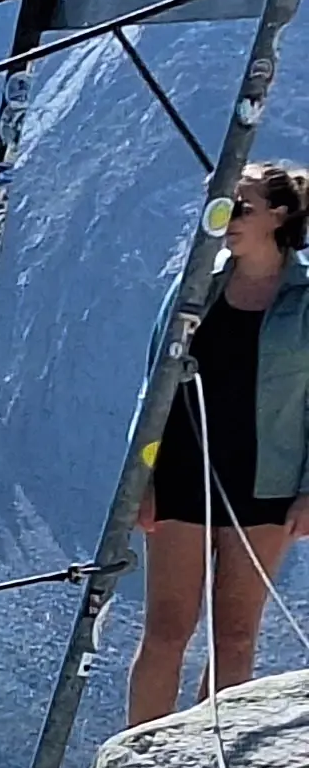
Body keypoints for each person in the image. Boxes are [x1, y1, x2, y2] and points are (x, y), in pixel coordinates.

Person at [133, 161, 309, 725]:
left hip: (268, 485)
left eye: (241, 207)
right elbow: (154, 382)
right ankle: (137, 767)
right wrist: (141, 478)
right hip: (183, 475)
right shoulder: (196, 285)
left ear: (280, 216)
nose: (226, 218)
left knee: (235, 637)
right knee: (167, 628)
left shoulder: (306, 298)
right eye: (220, 206)